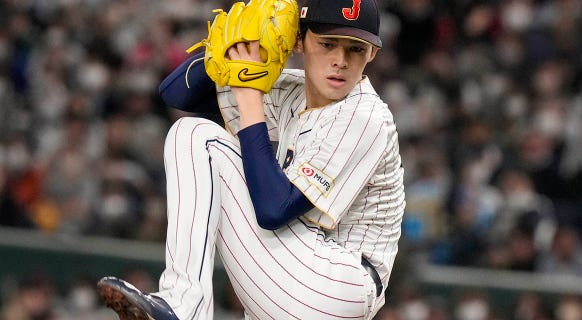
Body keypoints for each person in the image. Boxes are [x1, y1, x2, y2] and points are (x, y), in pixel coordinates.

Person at [97, 0, 405, 318]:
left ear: (372, 54)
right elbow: (176, 94)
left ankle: (184, 304)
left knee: (198, 138)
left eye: (355, 49)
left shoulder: (364, 113)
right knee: (187, 131)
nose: (340, 60)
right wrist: (234, 49)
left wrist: (249, 96)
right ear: (299, 40)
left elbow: (274, 210)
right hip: (287, 279)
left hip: (334, 285)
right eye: (327, 44)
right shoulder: (292, 93)